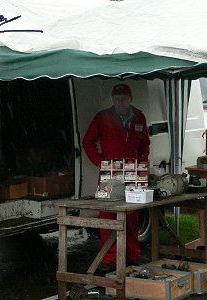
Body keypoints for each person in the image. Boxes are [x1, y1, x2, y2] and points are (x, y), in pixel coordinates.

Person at [82, 83, 150, 271]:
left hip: (132, 172)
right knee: (108, 214)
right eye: (117, 98)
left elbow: (145, 143)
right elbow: (88, 141)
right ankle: (110, 258)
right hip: (108, 173)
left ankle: (132, 254)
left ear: (131, 99)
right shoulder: (103, 117)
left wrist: (142, 161)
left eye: (124, 98)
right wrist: (100, 162)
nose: (120, 102)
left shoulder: (139, 117)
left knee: (132, 214)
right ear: (112, 99)